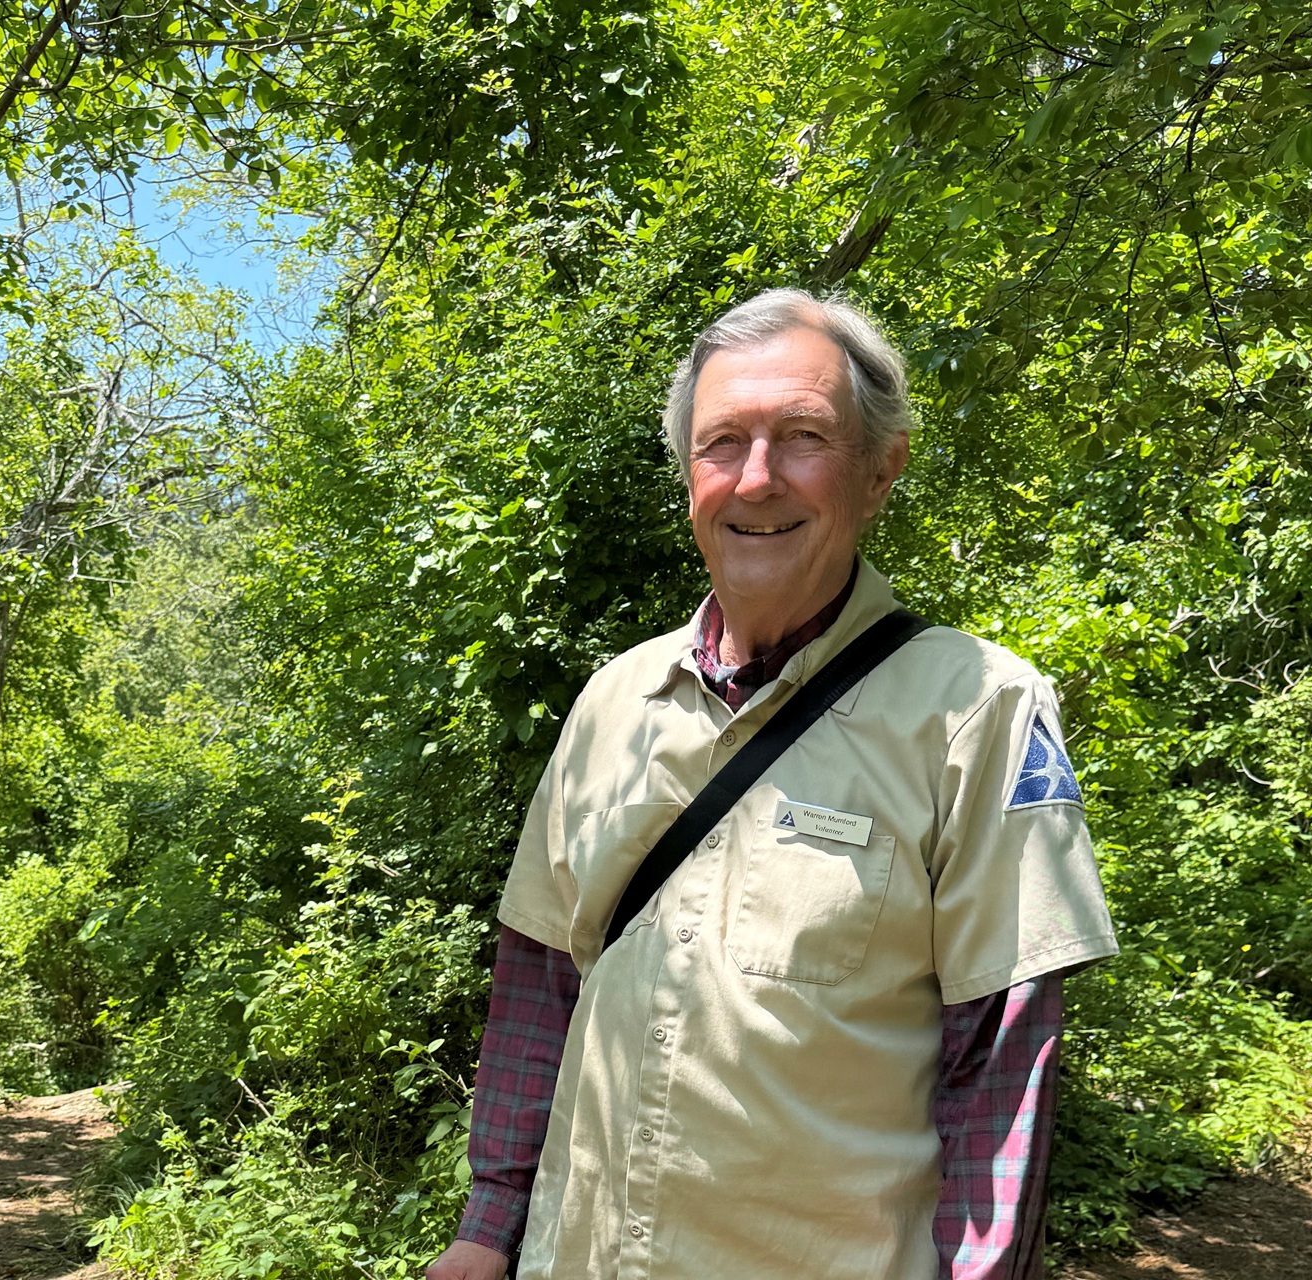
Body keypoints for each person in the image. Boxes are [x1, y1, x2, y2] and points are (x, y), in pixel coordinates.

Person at [425, 288, 1118, 1280]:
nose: (756, 478)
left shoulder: (980, 709)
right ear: (687, 473)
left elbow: (1000, 1070)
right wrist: (486, 1228)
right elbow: (541, 983)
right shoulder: (614, 699)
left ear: (881, 470)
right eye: (723, 443)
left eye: (802, 437)